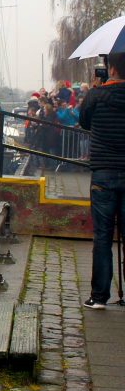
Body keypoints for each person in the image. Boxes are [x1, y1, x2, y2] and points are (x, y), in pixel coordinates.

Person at [78, 52, 125, 309]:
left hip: (103, 174)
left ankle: (99, 297)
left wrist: (94, 90)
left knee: (103, 237)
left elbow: (84, 122)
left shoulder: (96, 96)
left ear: (111, 67)